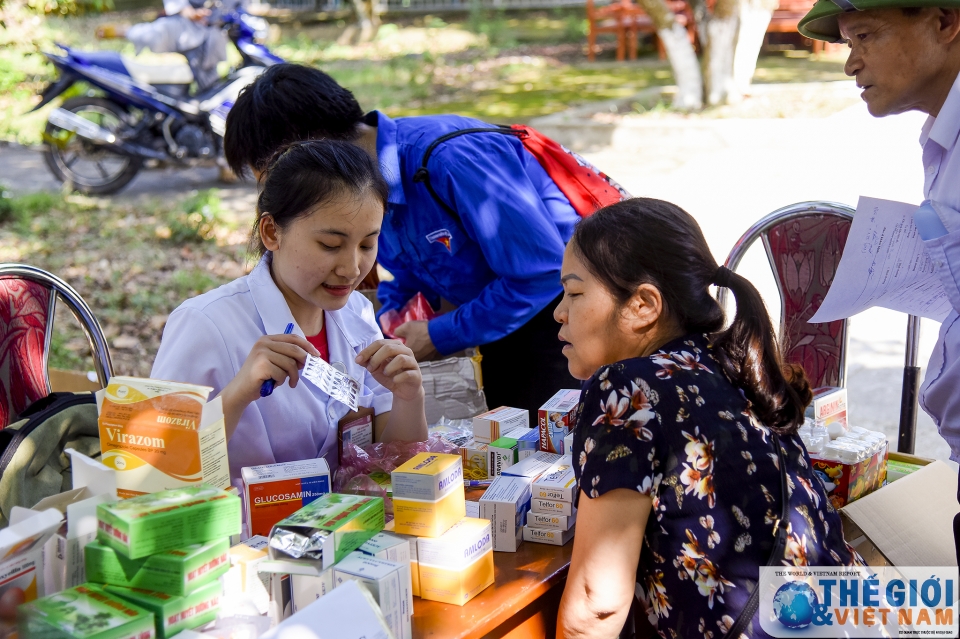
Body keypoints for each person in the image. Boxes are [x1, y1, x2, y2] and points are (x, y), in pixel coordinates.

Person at [554, 199, 863, 639]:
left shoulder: (625, 387)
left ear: (643, 304)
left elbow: (595, 605)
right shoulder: (729, 362)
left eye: (575, 293)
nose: (559, 312)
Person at [222, 63, 589, 414]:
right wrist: (390, 322)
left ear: (314, 146)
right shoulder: (360, 187)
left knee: (548, 449)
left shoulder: (449, 160)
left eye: (279, 176)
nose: (280, 196)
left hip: (559, 314)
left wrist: (438, 334)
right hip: (499, 318)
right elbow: (421, 267)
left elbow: (542, 273)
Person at [151, 140, 428, 489]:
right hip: (240, 538)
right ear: (271, 232)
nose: (351, 268)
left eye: (367, 244)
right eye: (330, 245)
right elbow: (151, 471)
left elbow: (393, 463)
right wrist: (236, 396)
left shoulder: (355, 313)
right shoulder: (205, 325)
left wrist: (408, 398)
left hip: (341, 530)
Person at [798, 0, 960, 559]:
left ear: (944, 22)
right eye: (848, 43)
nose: (851, 64)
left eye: (865, 36)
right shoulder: (944, 139)